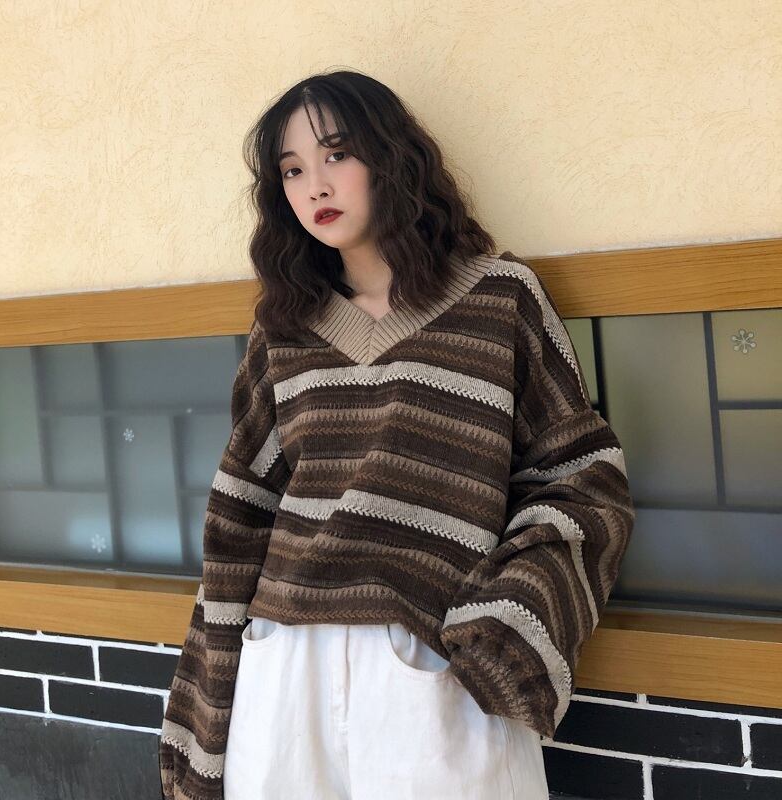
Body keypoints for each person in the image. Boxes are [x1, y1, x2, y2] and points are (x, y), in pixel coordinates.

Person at [158, 69, 635, 800]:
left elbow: (584, 477)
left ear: (390, 156)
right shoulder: (283, 327)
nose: (315, 185)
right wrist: (205, 713)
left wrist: (508, 616)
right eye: (292, 170)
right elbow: (241, 514)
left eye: (336, 154)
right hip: (286, 665)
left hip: (438, 654)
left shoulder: (498, 298)